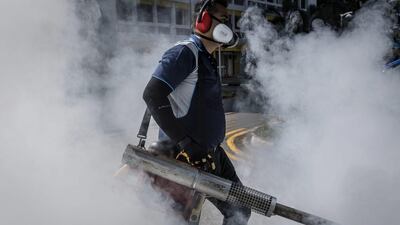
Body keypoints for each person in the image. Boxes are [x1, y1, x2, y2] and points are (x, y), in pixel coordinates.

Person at [142, 0, 251, 224]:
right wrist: (186, 143)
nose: (227, 26)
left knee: (239, 210)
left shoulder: (207, 58)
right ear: (204, 20)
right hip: (182, 155)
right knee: (185, 220)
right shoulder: (185, 52)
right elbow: (152, 94)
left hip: (210, 153)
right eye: (223, 19)